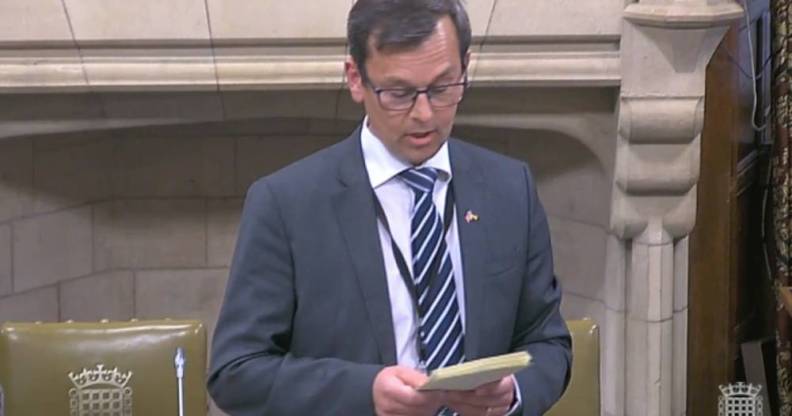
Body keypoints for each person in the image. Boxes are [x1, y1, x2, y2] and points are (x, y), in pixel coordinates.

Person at [207, 0, 571, 414]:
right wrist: (365, 392)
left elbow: (548, 341)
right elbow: (236, 372)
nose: (423, 114)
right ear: (355, 79)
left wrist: (513, 393)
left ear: (465, 69)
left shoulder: (511, 188)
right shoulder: (285, 204)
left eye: (442, 88)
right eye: (398, 93)